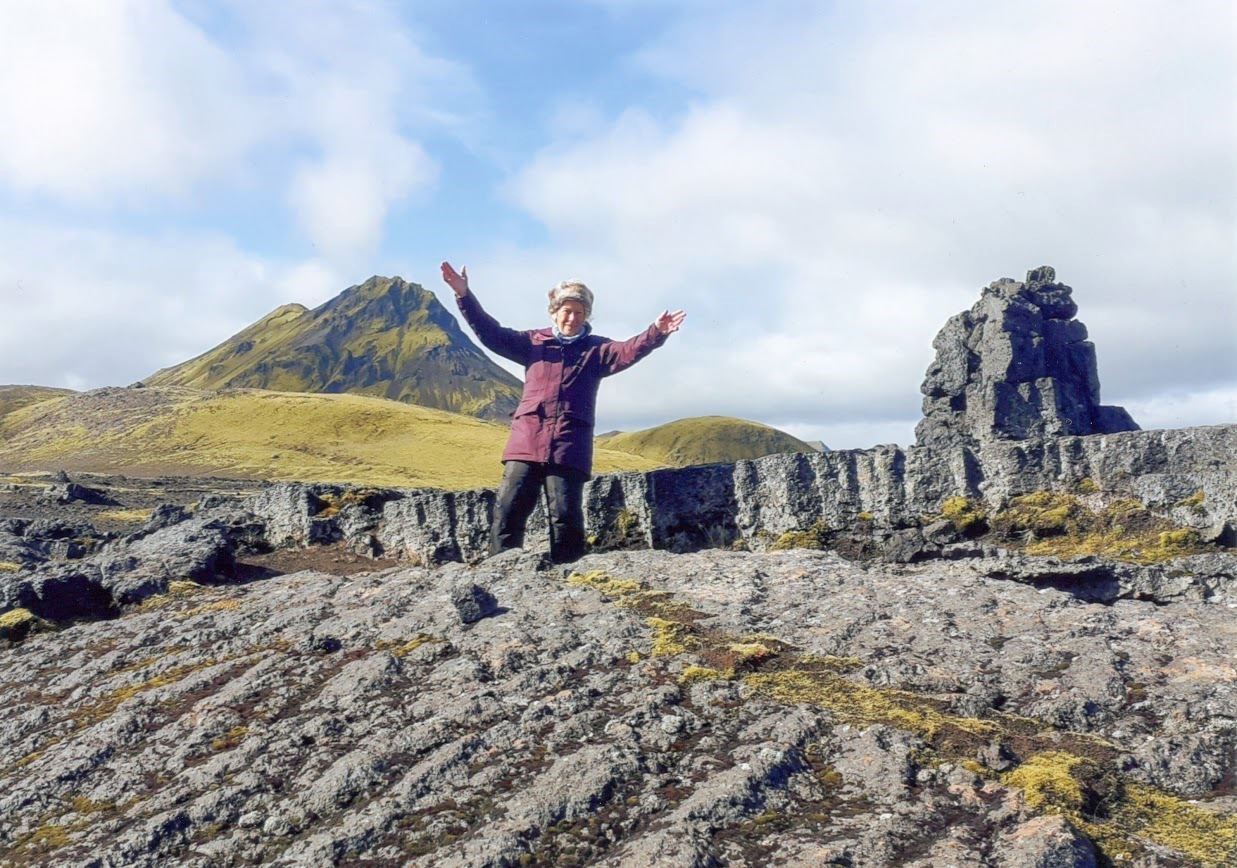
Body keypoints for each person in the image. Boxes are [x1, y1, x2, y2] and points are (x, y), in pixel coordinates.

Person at [441, 261, 685, 563]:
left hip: (569, 446)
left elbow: (628, 350)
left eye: (579, 312)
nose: (572, 318)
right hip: (526, 442)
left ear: (586, 316)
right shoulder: (532, 343)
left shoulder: (597, 351)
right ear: (554, 312)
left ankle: (568, 578)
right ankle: (500, 572)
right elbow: (490, 333)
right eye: (566, 311)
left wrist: (655, 332)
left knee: (566, 517)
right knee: (507, 510)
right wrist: (464, 295)